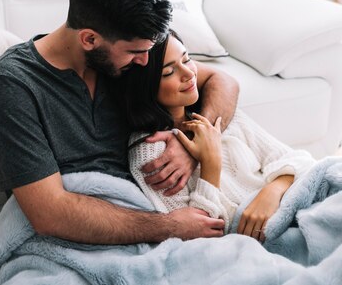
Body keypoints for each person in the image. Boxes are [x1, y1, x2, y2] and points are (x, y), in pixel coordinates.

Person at [0, 0, 239, 244]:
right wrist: (170, 227)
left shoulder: (130, 50)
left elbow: (223, 81)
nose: (145, 62)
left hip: (146, 206)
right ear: (89, 39)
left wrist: (193, 145)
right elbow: (49, 213)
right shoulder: (11, 84)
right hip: (90, 229)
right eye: (134, 52)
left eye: (148, 51)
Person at [123, 30, 315, 242]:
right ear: (145, 86)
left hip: (294, 204)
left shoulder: (216, 114)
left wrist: (272, 191)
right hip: (268, 238)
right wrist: (210, 163)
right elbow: (198, 234)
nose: (188, 73)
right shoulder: (151, 151)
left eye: (187, 59)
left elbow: (301, 161)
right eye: (169, 72)